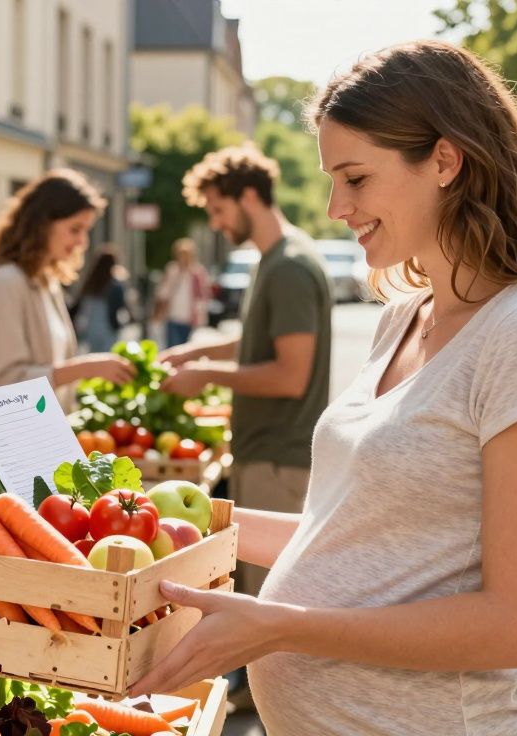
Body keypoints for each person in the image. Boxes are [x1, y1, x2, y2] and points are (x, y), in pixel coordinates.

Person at [130, 41, 517, 735]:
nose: (336, 207)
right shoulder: (405, 315)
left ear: (444, 160)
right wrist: (178, 521)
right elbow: (346, 539)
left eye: (356, 178)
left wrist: (278, 627)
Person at [160, 144, 332, 599]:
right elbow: (259, 339)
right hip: (265, 454)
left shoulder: (289, 267)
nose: (216, 223)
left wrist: (208, 375)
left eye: (219, 209)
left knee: (264, 600)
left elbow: (290, 374)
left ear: (249, 197)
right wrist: (193, 353)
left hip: (278, 458)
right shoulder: (273, 259)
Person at [0, 170, 134, 408]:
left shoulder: (46, 283)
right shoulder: (5, 284)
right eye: (75, 229)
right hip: (2, 441)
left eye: (86, 231)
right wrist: (86, 368)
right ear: (41, 225)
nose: (82, 243)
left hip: (40, 438)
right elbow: (6, 383)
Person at [71, 244, 132, 352]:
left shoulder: (90, 283)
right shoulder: (115, 285)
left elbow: (78, 305)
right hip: (108, 328)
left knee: (95, 360)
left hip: (90, 328)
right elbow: (122, 306)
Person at [152, 238, 212, 348]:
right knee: (173, 348)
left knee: (187, 350)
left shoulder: (198, 272)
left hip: (190, 319)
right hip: (173, 317)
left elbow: (203, 296)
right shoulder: (172, 270)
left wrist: (200, 317)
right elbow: (163, 292)